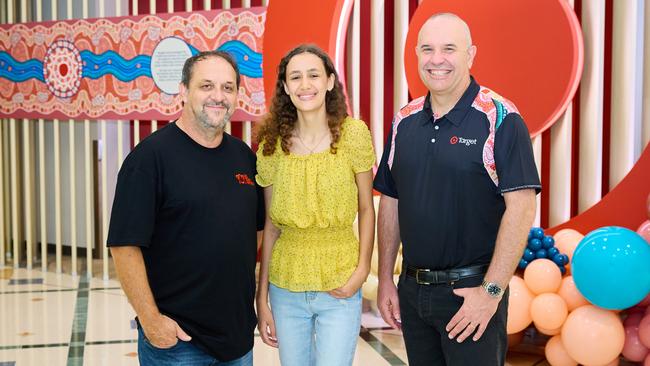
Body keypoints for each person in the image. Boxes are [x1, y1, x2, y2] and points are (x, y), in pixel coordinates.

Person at [373, 13, 541, 366]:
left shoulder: (501, 118)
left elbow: (522, 208)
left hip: (471, 295)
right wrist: (387, 279)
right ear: (417, 55)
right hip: (414, 292)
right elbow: (391, 198)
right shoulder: (404, 120)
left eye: (449, 49)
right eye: (427, 49)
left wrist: (491, 293)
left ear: (470, 55)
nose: (437, 59)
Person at [107, 50, 264, 366]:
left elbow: (255, 233)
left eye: (227, 87)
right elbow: (124, 248)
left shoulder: (244, 157)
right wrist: (152, 322)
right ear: (184, 91)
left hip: (236, 338)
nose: (217, 96)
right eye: (206, 86)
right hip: (177, 342)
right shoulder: (149, 159)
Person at [255, 44, 375, 366]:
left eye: (313, 75)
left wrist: (362, 270)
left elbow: (367, 208)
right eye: (295, 77)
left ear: (330, 82)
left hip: (340, 280)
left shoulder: (353, 135)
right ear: (285, 87)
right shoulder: (271, 145)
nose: (304, 85)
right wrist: (261, 296)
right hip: (286, 285)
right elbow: (271, 225)